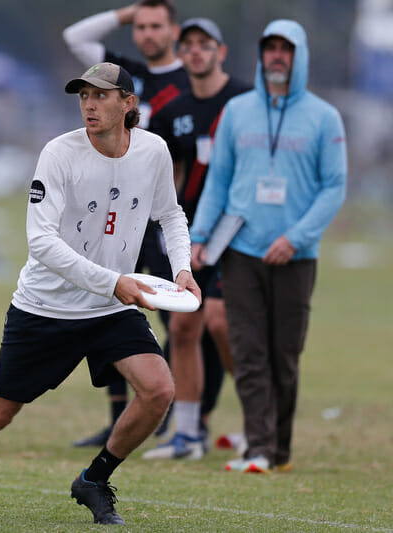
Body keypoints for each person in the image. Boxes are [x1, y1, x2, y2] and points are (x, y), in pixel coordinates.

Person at [0, 62, 200, 525]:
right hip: (46, 308)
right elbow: (41, 243)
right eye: (84, 95)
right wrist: (116, 281)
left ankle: (95, 479)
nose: (89, 104)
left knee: (159, 389)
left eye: (102, 95)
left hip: (110, 309)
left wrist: (182, 269)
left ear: (129, 104)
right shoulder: (58, 153)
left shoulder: (153, 151)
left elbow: (171, 215)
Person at [189, 20, 347, 473]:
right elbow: (217, 181)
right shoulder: (237, 112)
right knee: (247, 349)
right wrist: (200, 236)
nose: (277, 56)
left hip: (296, 256)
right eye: (270, 48)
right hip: (240, 250)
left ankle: (278, 449)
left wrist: (295, 237)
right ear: (260, 55)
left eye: (286, 49)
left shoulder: (324, 117)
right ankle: (257, 447)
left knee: (284, 355)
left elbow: (334, 187)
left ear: (300, 56)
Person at [62, 0, 201, 448]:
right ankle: (121, 416)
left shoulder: (189, 82)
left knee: (177, 319)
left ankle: (183, 416)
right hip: (114, 218)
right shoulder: (120, 72)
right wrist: (125, 13)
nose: (146, 33)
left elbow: (183, 161)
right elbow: (76, 37)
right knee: (109, 303)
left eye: (156, 24)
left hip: (160, 217)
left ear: (173, 30)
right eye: (139, 26)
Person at [141, 18, 252, 460]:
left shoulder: (244, 102)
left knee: (223, 324)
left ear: (220, 51)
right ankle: (188, 435)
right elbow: (173, 178)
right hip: (192, 233)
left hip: (237, 231)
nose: (196, 52)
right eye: (188, 46)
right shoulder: (172, 110)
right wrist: (167, 232)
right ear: (181, 54)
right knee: (184, 325)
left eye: (205, 45)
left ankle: (255, 425)